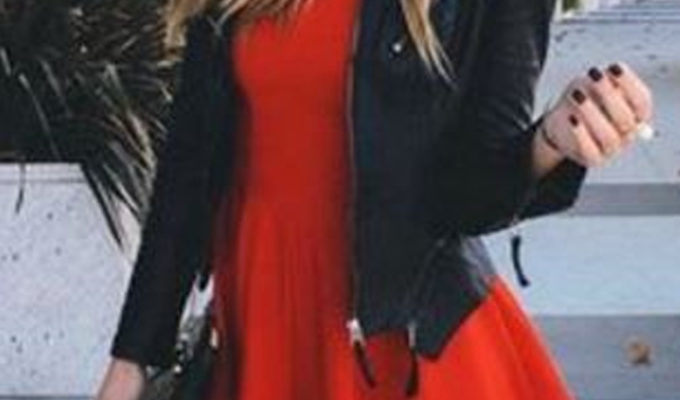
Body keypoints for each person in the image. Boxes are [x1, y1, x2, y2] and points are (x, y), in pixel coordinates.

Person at [95, 0, 654, 398]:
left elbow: (467, 197)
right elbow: (188, 172)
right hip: (260, 328)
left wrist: (550, 143)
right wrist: (132, 356)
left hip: (393, 347)